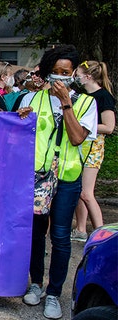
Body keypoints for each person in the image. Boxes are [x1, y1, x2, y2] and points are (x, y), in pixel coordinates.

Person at [17, 45, 97, 320]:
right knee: (36, 233)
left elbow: (77, 138)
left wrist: (66, 103)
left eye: (66, 72)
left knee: (60, 236)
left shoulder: (87, 103)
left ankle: (54, 293)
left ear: (74, 73)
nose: (61, 77)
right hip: (38, 177)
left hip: (67, 178)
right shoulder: (33, 99)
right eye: (56, 72)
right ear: (48, 73)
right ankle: (36, 284)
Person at [71, 60, 116, 242]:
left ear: (88, 77)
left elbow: (109, 126)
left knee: (86, 193)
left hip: (94, 147)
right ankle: (81, 229)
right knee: (79, 190)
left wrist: (85, 126)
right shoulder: (83, 96)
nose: (75, 77)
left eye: (78, 74)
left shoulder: (103, 97)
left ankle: (103, 235)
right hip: (81, 145)